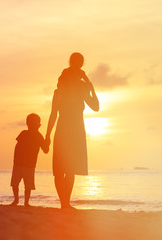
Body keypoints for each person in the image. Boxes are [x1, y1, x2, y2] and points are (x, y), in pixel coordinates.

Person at [45, 52, 99, 209]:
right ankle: (65, 203)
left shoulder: (79, 88)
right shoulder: (64, 91)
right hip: (70, 129)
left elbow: (96, 107)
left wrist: (90, 87)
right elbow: (53, 114)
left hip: (70, 130)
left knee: (66, 169)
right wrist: (47, 135)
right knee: (64, 168)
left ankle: (64, 203)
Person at [10, 113, 49, 207]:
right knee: (15, 183)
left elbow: (45, 150)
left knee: (28, 185)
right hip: (19, 163)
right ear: (28, 124)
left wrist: (47, 142)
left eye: (35, 124)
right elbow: (17, 147)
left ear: (39, 125)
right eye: (32, 123)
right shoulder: (23, 133)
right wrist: (15, 160)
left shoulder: (39, 136)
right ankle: (16, 199)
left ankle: (26, 202)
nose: (33, 126)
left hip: (29, 165)